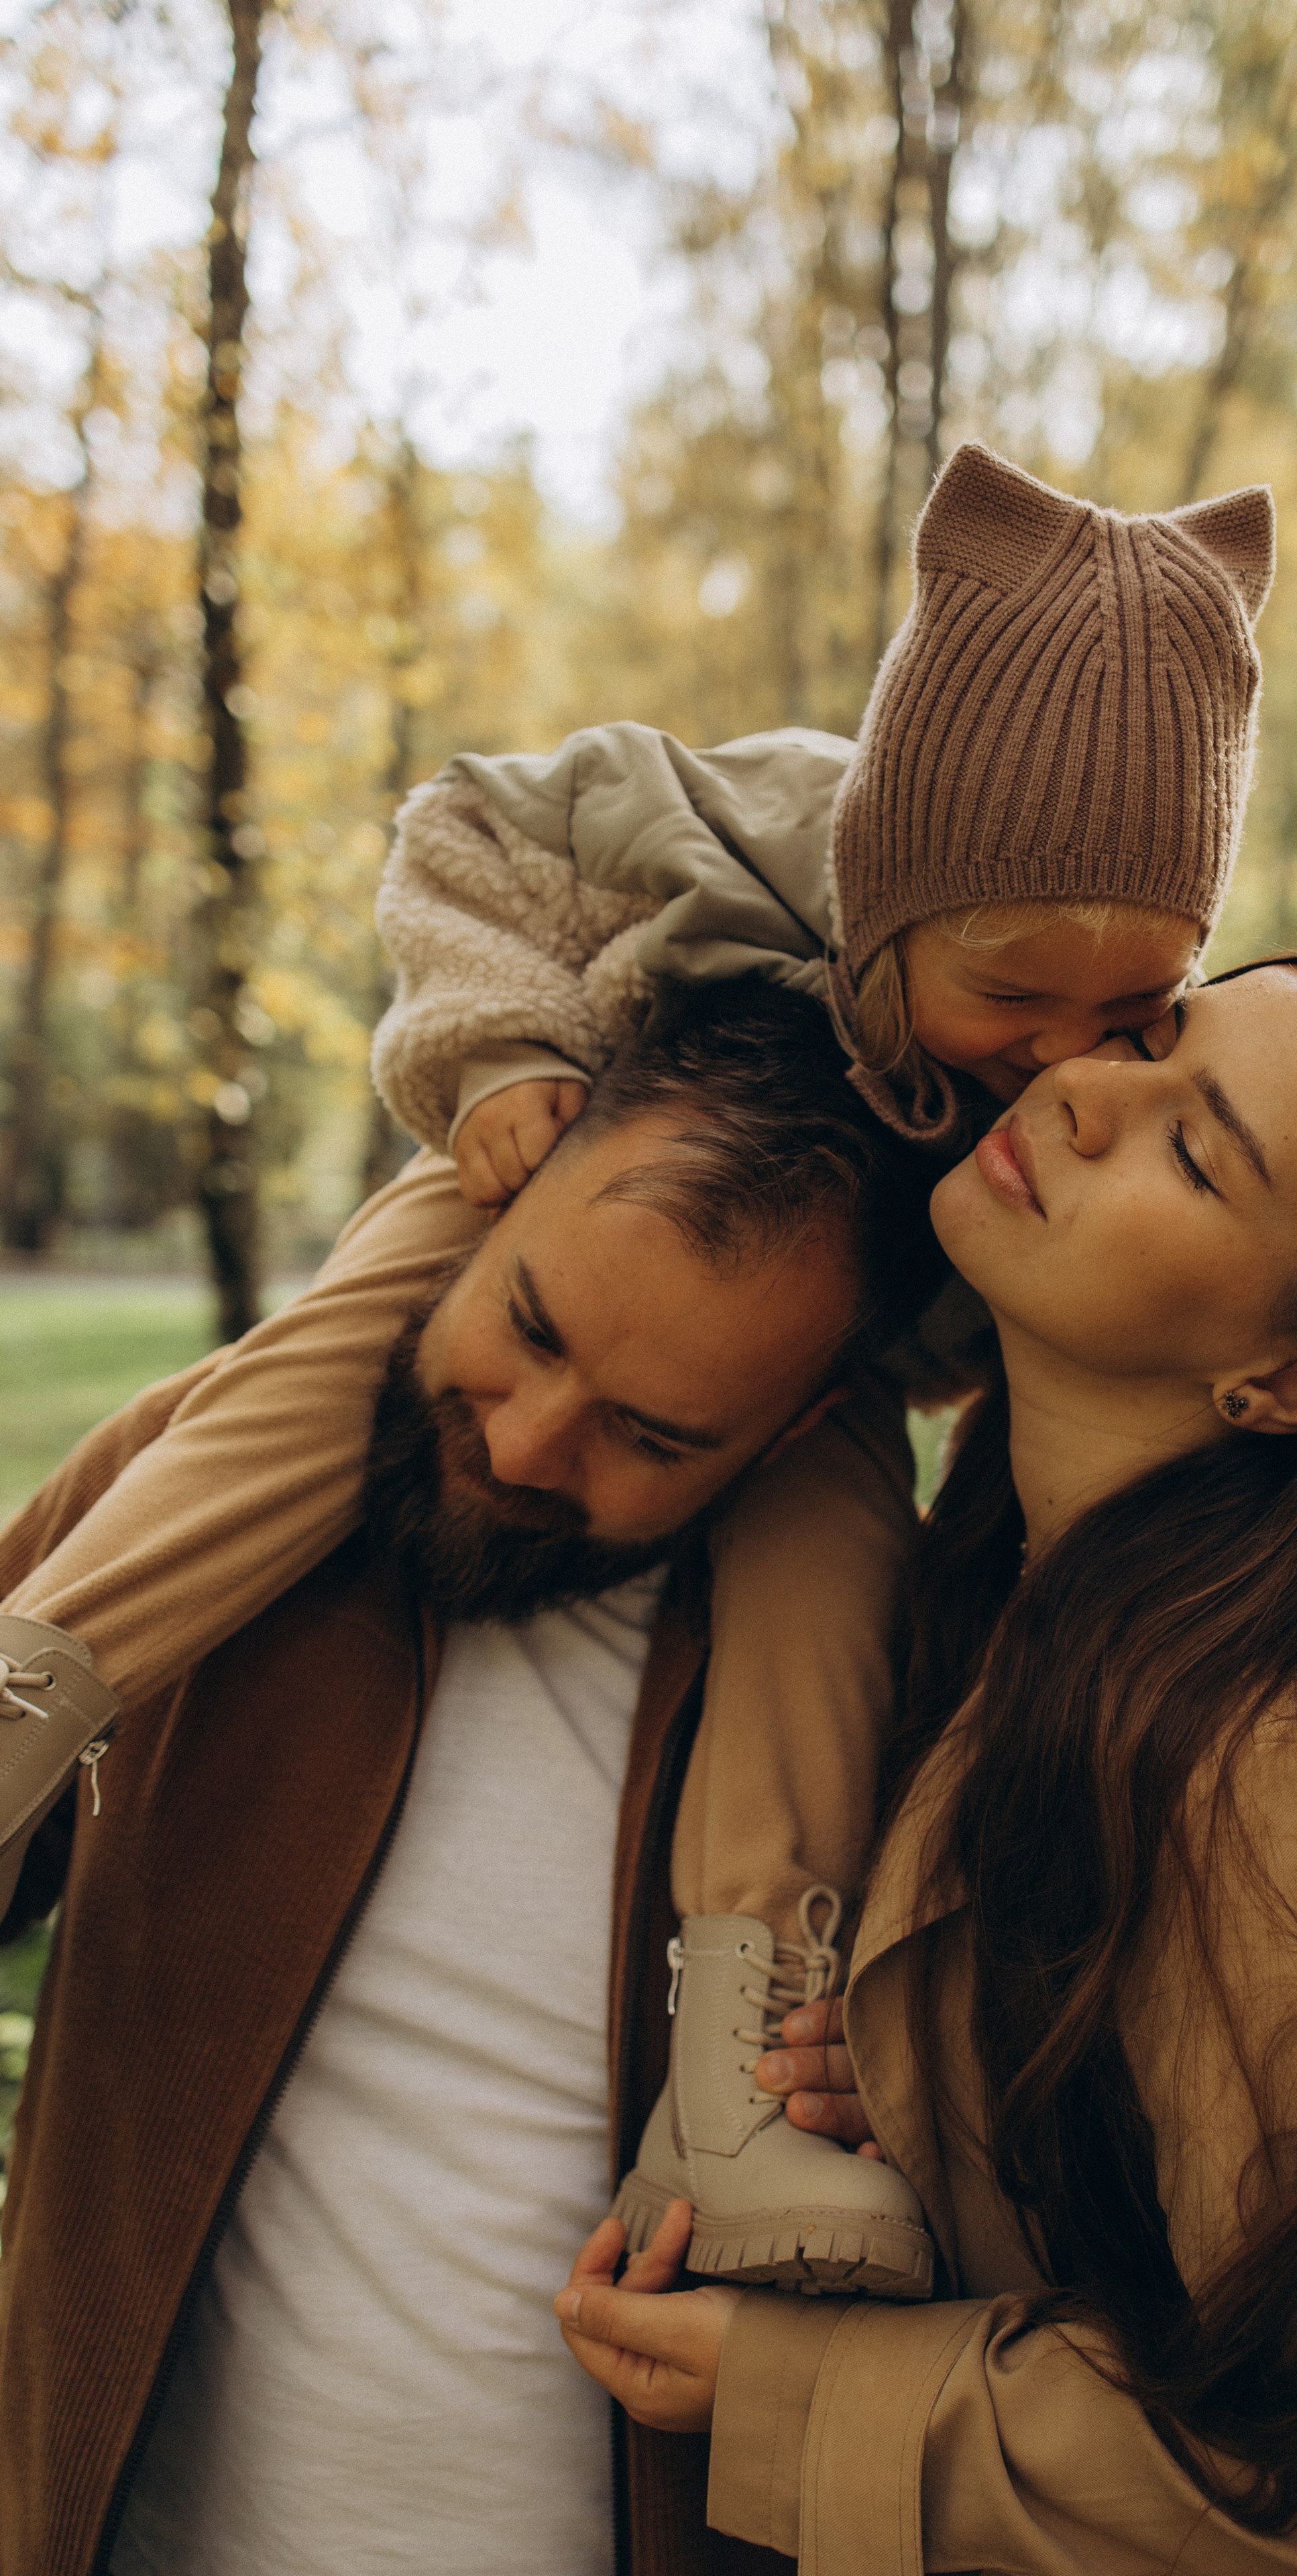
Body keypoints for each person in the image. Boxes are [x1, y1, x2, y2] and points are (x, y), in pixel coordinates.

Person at [0, 441, 1276, 2294]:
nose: (1063, 1055)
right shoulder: (736, 828)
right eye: (1016, 997)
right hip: (552, 1154)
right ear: (899, 885)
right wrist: (496, 1051)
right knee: (309, 1385)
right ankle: (38, 1683)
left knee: (826, 1581)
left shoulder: (1060, 1102)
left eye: (1129, 1015)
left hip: (830, 1355)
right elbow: (462, 836)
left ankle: (741, 2067)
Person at [557, 952, 1297, 2571]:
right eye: (1146, 1043)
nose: (1082, 1093)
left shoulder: (1273, 1768)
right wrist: (938, 2077)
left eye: (1192, 1150)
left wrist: (796, 2387)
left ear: (1285, 1375)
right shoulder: (1033, 1587)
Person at [0, 985, 944, 2576]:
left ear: (794, 1436)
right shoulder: (187, 1497)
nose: (522, 1447)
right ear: (496, 1197)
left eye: (647, 1431)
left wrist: (925, 2099)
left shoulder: (903, 1696)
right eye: (529, 1327)